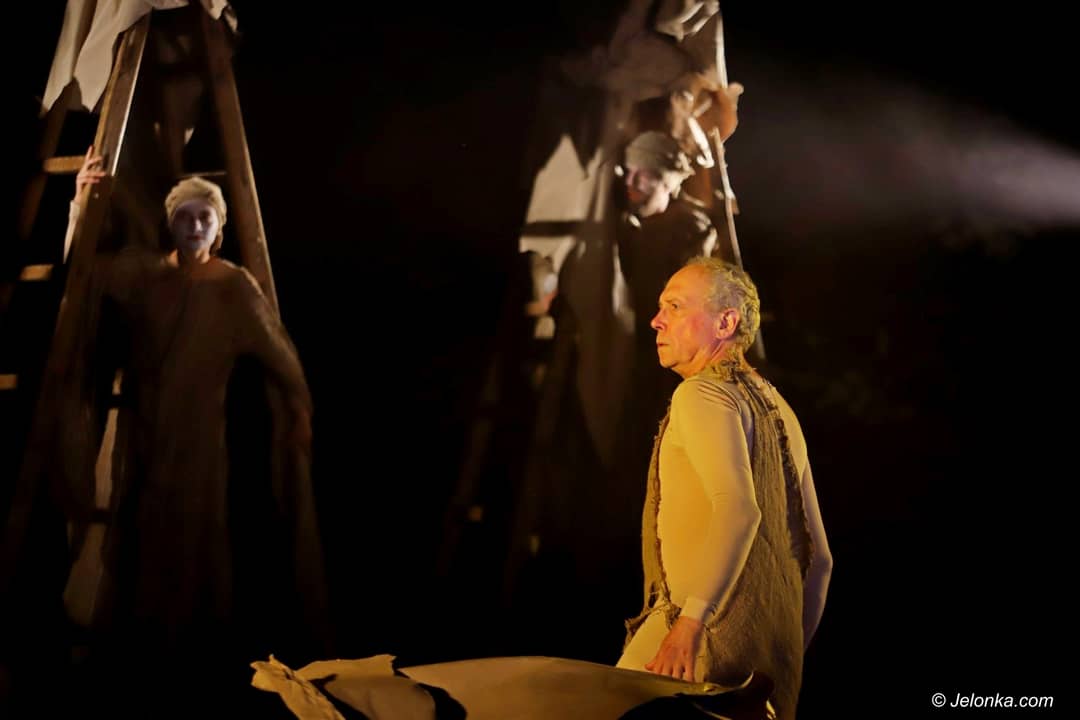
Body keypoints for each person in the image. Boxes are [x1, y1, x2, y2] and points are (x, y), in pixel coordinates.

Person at [53, 150, 327, 711]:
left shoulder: (233, 286)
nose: (195, 226)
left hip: (199, 437)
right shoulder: (148, 274)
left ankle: (191, 665)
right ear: (170, 223)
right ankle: (141, 664)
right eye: (185, 216)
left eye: (206, 218)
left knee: (192, 537)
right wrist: (80, 203)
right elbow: (86, 273)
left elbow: (280, 355)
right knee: (139, 537)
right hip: (142, 430)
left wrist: (298, 410)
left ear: (219, 229)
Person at [616, 257, 833, 720]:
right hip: (768, 675)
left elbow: (738, 510)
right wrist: (786, 656)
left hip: (692, 642)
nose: (656, 320)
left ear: (726, 322)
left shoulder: (701, 393)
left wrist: (691, 622)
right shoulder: (781, 411)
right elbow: (821, 562)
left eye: (675, 306)